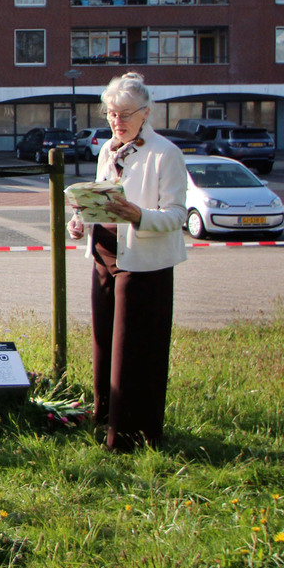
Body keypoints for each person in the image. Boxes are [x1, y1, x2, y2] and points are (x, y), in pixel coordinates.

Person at [67, 72, 188, 452]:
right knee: (104, 344)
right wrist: (79, 220)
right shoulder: (107, 150)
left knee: (133, 351)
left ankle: (131, 435)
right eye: (110, 114)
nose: (116, 122)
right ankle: (104, 417)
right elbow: (103, 200)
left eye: (124, 114)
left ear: (146, 114)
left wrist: (138, 215)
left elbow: (177, 215)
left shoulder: (166, 153)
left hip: (143, 263)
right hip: (104, 255)